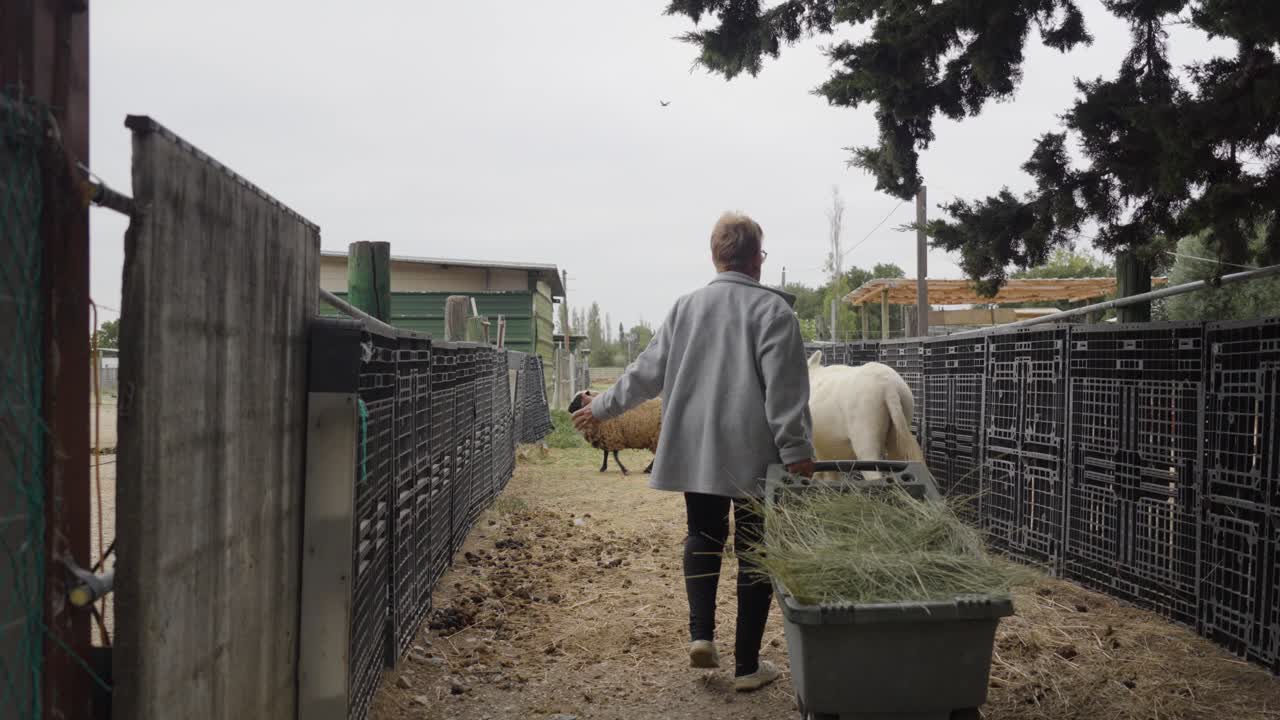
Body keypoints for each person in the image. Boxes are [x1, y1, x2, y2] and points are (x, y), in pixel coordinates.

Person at [572, 211, 815, 691]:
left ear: (715, 256)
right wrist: (797, 451)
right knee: (755, 551)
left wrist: (600, 407)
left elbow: (645, 372)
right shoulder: (773, 313)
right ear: (757, 261)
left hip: (699, 448)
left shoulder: (685, 308)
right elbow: (786, 394)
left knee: (703, 533)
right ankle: (748, 667)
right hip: (755, 453)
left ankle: (701, 636)